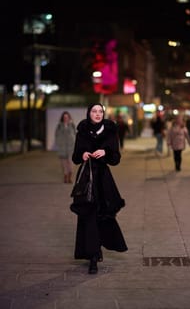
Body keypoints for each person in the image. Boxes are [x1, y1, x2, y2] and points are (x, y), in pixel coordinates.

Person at [71, 103, 128, 274]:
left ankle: (99, 249)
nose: (97, 114)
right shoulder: (82, 130)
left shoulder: (110, 131)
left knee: (102, 216)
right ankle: (93, 257)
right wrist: (82, 155)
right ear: (88, 113)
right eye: (94, 111)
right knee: (88, 217)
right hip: (86, 180)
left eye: (100, 112)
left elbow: (116, 158)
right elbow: (75, 157)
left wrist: (106, 153)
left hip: (103, 181)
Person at [55, 111, 76, 183]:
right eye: (64, 117)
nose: (66, 118)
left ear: (69, 117)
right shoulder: (59, 126)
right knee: (64, 164)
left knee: (70, 163)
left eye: (67, 117)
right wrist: (59, 144)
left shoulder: (72, 125)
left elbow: (75, 135)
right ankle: (65, 176)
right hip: (62, 148)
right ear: (62, 118)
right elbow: (56, 136)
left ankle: (70, 176)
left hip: (71, 148)